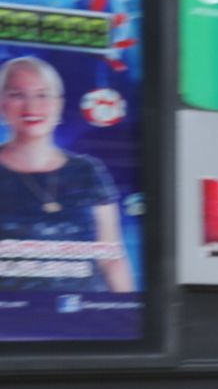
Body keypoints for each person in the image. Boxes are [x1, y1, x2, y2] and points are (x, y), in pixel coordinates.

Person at [0, 55, 134, 293]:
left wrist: (126, 317)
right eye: (17, 95)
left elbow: (112, 259)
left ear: (58, 105)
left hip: (85, 319)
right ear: (2, 104)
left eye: (42, 95)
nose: (31, 107)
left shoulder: (88, 171)